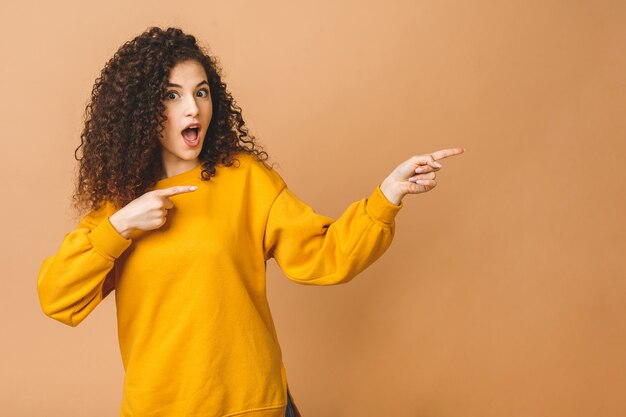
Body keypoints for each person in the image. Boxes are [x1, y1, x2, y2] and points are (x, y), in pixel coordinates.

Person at [36, 26, 464, 417]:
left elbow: (326, 255)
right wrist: (121, 227)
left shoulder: (245, 179)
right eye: (172, 95)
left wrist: (387, 196)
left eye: (201, 92)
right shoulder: (121, 205)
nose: (193, 108)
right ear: (140, 110)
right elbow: (57, 297)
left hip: (256, 406)